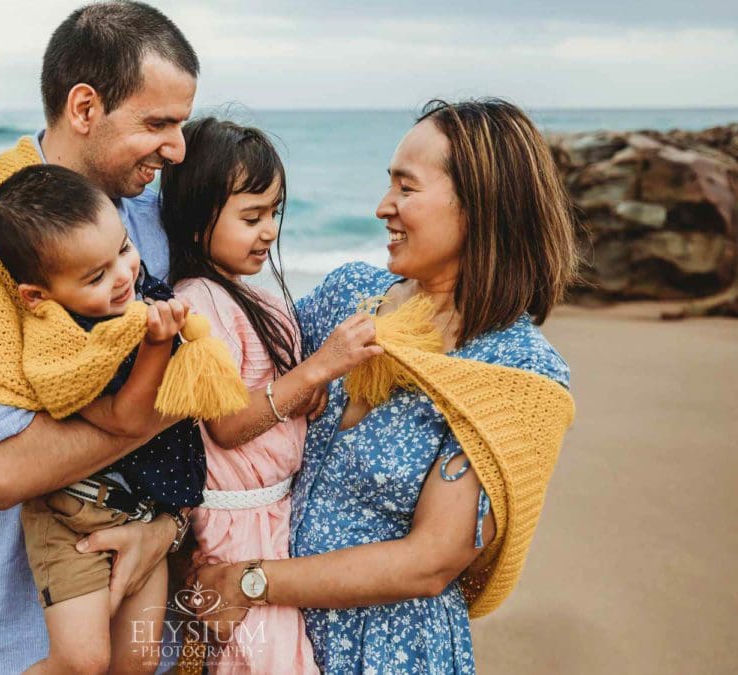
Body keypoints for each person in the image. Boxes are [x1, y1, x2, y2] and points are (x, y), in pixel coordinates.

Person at [188, 99, 578, 673]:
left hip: (390, 651)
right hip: (276, 640)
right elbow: (230, 409)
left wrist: (250, 581)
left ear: (480, 206)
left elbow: (431, 561)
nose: (382, 207)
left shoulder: (515, 372)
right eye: (387, 184)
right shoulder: (347, 298)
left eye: (406, 188)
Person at [0, 3, 200, 673]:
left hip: (147, 615)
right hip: (14, 635)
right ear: (84, 107)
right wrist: (171, 399)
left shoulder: (153, 215)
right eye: (157, 123)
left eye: (183, 123)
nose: (178, 149)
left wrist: (167, 526)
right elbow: (6, 470)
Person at [163, 118, 383, 673]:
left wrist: (301, 390)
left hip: (277, 513)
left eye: (275, 214)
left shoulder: (259, 299)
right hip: (236, 526)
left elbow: (277, 400)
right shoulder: (199, 303)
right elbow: (228, 425)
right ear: (195, 223)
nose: (269, 232)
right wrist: (314, 373)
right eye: (251, 217)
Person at [0, 163, 201, 674]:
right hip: (73, 517)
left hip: (144, 510)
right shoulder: (60, 345)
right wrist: (156, 346)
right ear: (38, 295)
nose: (124, 276)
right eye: (96, 276)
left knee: (141, 660)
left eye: (124, 250)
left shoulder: (136, 296)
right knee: (82, 660)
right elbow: (127, 419)